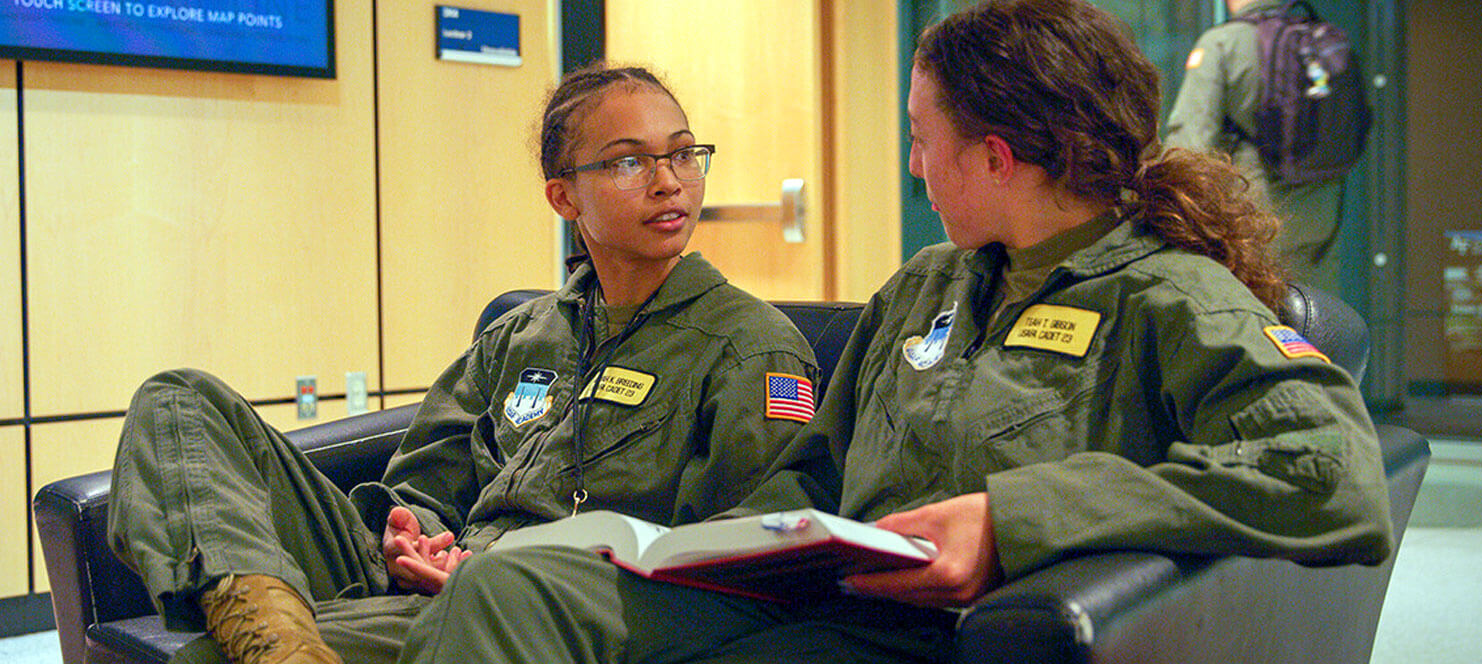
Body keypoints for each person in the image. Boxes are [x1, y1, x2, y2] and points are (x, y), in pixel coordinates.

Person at [396, 2, 1395, 663]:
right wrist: (717, 547)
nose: (915, 167)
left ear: (994, 157)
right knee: (517, 585)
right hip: (815, 595)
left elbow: (1333, 470)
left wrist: (1017, 516)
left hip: (942, 632)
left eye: (922, 140)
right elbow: (816, 467)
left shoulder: (1173, 296)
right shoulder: (926, 287)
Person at [106, 63, 819, 664]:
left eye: (684, 153)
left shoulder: (750, 347)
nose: (668, 181)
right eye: (630, 161)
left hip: (544, 609)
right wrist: (407, 531)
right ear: (563, 196)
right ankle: (268, 620)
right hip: (428, 580)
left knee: (203, 658)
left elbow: (745, 555)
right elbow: (421, 481)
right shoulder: (521, 335)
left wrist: (512, 576)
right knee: (178, 398)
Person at [1164, 0, 1348, 294]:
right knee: (1317, 319)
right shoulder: (1320, 38)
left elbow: (1188, 147)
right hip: (1325, 210)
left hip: (1258, 212)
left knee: (1260, 319)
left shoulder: (1222, 42)